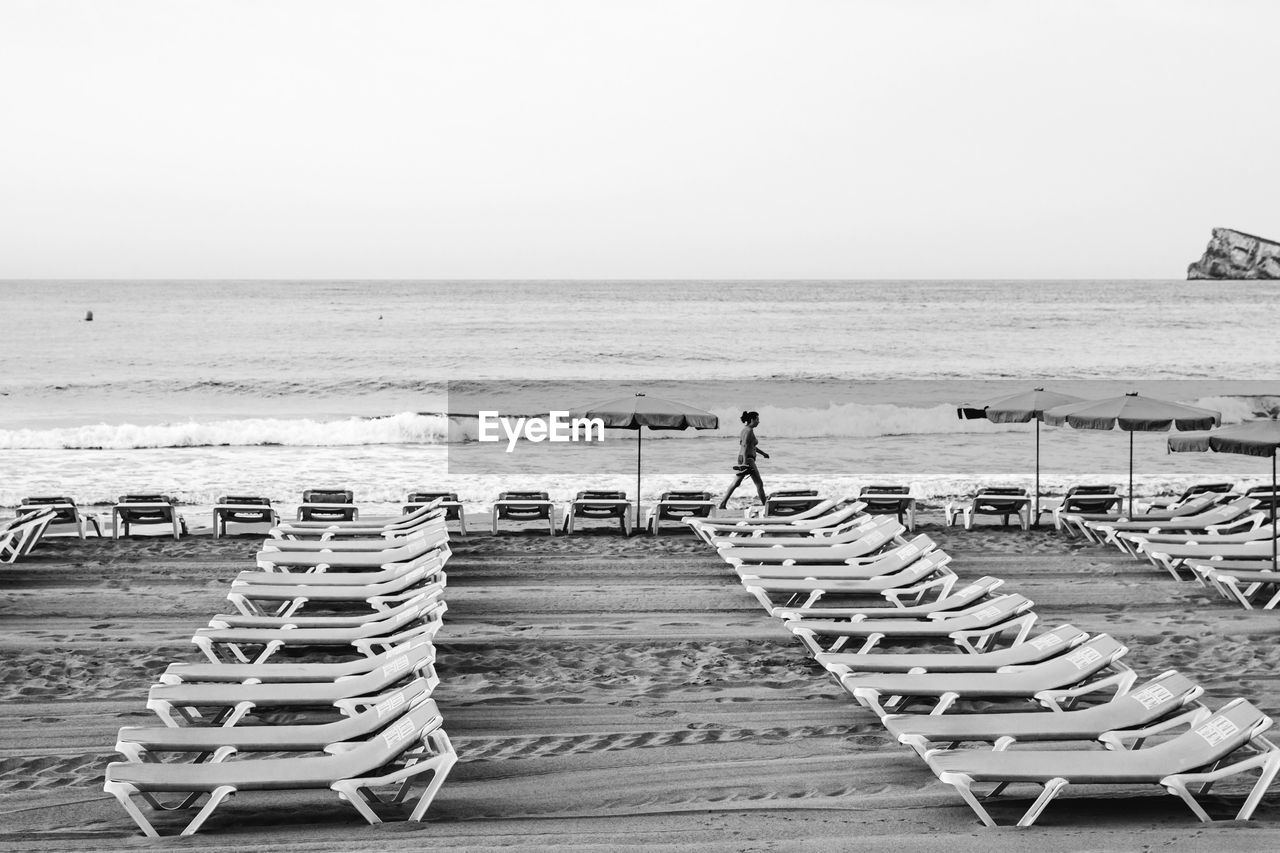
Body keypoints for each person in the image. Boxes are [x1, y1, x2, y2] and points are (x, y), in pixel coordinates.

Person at [718, 411, 769, 509]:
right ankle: (766, 506)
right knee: (759, 484)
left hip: (744, 459)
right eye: (757, 419)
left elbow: (751, 446)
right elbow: (745, 446)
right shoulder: (748, 431)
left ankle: (722, 504)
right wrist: (745, 464)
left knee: (736, 483)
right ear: (752, 420)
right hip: (748, 460)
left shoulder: (746, 430)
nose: (759, 421)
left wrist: (763, 454)